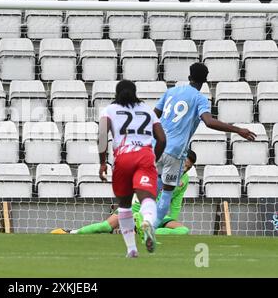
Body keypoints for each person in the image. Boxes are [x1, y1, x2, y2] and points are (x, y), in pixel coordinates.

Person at [153, 62, 256, 229]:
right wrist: (237, 129)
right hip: (175, 151)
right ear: (205, 80)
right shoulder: (199, 98)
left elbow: (153, 116)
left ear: (189, 76)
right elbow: (208, 121)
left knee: (151, 187)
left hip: (156, 146)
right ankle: (150, 227)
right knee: (167, 193)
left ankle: (138, 218)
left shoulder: (170, 92)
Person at [51, 150, 197, 237]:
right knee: (105, 227)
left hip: (158, 214)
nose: (184, 169)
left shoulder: (184, 180)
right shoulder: (158, 168)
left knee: (183, 230)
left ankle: (145, 230)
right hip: (136, 207)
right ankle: (70, 232)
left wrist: (167, 221)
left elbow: (176, 203)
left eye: (188, 168)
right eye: (184, 164)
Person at [95, 80, 167, 258]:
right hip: (144, 155)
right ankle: (149, 222)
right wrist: (152, 158)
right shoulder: (146, 109)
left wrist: (103, 162)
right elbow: (162, 139)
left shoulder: (110, 110)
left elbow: (102, 135)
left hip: (123, 158)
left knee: (125, 206)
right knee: (147, 198)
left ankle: (131, 249)